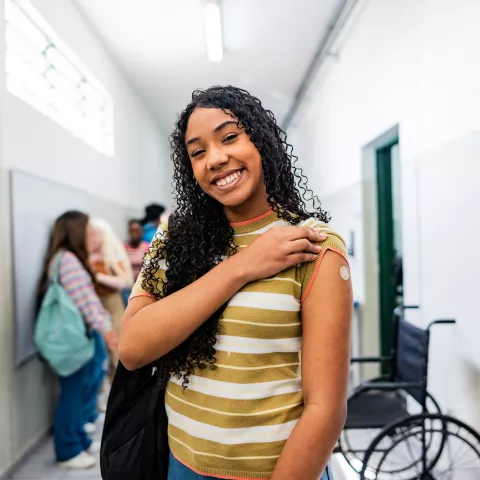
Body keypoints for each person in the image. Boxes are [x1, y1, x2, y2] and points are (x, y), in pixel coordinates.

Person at [119, 86, 353, 480]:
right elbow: (132, 349)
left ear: (261, 140)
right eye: (198, 152)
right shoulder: (173, 239)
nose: (216, 158)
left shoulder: (313, 247)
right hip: (181, 465)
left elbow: (325, 409)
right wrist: (243, 265)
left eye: (230, 137)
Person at [36, 211, 117, 469]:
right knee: (73, 393)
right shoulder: (68, 260)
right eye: (89, 231)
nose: (94, 237)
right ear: (76, 232)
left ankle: (79, 440)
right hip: (75, 338)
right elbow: (86, 302)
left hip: (81, 335)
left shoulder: (67, 258)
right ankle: (68, 450)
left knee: (83, 389)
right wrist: (108, 332)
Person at [89, 218, 133, 380]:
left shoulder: (111, 256)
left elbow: (123, 281)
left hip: (112, 307)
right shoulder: (85, 255)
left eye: (94, 234)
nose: (91, 238)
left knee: (116, 351)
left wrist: (97, 276)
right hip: (92, 310)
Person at [122, 220, 150, 305]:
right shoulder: (123, 247)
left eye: (137, 231)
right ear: (129, 232)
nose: (135, 233)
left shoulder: (147, 247)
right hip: (127, 285)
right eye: (132, 231)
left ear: (142, 232)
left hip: (142, 284)